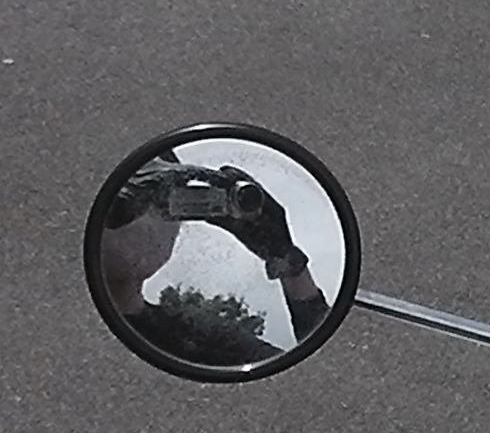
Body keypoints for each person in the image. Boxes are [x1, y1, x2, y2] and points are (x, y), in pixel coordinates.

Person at [97, 153, 331, 366]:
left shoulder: (197, 339)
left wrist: (285, 258)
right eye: (134, 191)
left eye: (167, 201)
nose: (149, 215)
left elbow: (322, 378)